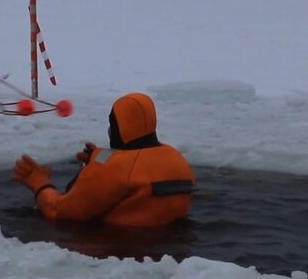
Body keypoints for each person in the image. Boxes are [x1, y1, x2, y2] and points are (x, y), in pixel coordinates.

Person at [11, 92, 195, 226]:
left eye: (112, 124)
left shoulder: (115, 167)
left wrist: (38, 183)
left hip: (119, 252)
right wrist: (98, 157)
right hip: (170, 246)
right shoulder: (175, 158)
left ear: (120, 126)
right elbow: (137, 165)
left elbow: (60, 211)